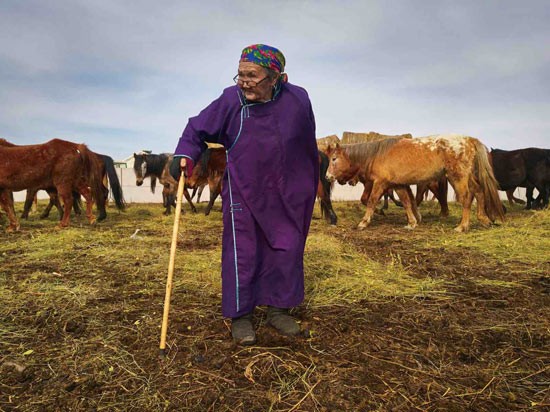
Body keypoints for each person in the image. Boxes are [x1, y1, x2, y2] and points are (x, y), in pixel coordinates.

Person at [173, 44, 318, 345]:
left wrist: (306, 183)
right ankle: (241, 316)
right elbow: (195, 129)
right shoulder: (231, 99)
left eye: (252, 76)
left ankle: (278, 309)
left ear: (276, 76)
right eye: (240, 75)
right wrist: (185, 154)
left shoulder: (299, 99)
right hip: (245, 193)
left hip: (288, 191)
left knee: (287, 248)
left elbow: (307, 141)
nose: (244, 82)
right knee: (244, 253)